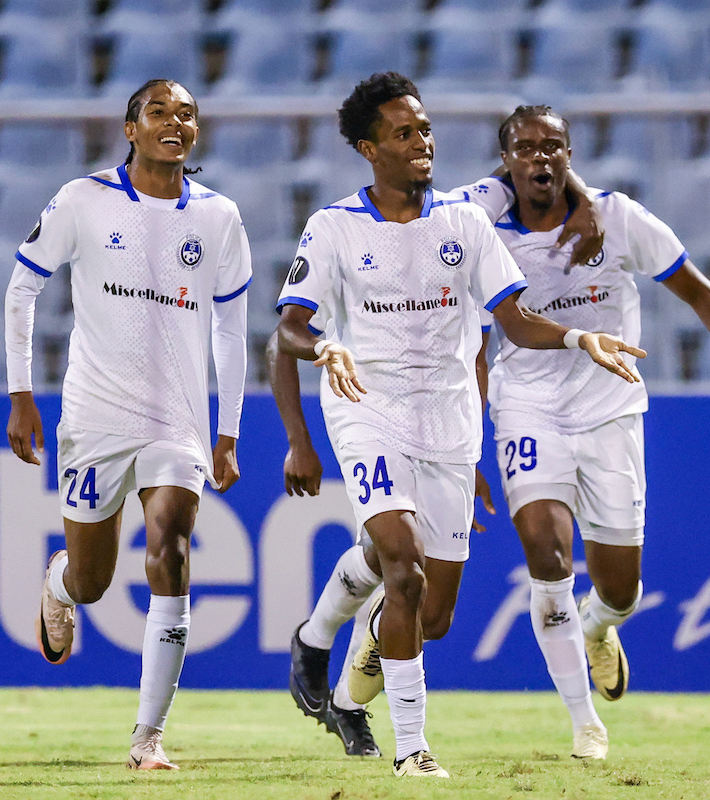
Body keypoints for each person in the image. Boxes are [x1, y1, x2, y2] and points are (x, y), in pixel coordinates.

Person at [273, 72, 644, 779]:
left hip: (449, 419)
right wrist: (323, 347)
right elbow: (287, 330)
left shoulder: (464, 224)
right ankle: (413, 750)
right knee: (403, 568)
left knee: (431, 613)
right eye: (404, 133)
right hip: (366, 408)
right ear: (367, 148)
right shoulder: (335, 227)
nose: (422, 143)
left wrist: (575, 338)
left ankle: (331, 659)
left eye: (426, 130)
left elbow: (513, 319)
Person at [462, 105, 710, 758]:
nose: (541, 158)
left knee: (619, 588)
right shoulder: (483, 228)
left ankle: (599, 628)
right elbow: (479, 342)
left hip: (611, 412)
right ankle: (584, 723)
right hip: (527, 408)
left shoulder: (616, 218)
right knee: (547, 553)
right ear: (505, 159)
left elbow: (697, 290)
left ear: (571, 155)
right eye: (526, 147)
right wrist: (469, 443)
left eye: (554, 146)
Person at [4, 79, 251, 771]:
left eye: (186, 114)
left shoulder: (220, 217)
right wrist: (21, 394)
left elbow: (232, 330)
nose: (175, 122)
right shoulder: (84, 199)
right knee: (93, 580)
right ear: (131, 129)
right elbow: (23, 285)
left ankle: (148, 739)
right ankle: (61, 583)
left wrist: (226, 428)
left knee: (171, 549)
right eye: (159, 112)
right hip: (95, 416)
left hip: (176, 419)